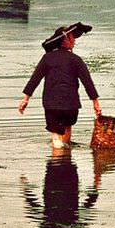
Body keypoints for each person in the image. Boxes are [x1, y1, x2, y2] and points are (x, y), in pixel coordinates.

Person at [18, 22, 101, 150]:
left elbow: (35, 79)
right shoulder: (76, 60)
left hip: (52, 105)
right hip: (71, 105)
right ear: (65, 40)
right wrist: (95, 103)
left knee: (56, 141)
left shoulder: (47, 58)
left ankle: (58, 160)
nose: (74, 41)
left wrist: (25, 99)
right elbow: (87, 82)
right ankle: (65, 161)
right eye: (72, 38)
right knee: (67, 133)